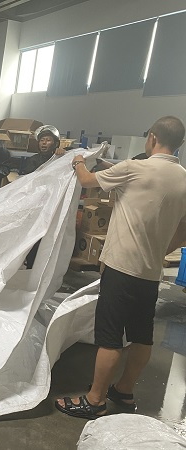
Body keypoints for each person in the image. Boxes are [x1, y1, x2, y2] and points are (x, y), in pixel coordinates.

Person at [56, 116, 186, 419]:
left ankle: (95, 400)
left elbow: (87, 180)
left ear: (152, 138)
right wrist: (160, 251)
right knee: (141, 335)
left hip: (121, 268)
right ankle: (124, 390)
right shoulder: (183, 178)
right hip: (150, 273)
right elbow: (184, 228)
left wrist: (78, 161)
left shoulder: (135, 168)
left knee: (110, 337)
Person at [23, 125, 66, 269]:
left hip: (54, 205)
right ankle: (30, 266)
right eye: (42, 140)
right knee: (33, 236)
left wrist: (64, 153)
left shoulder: (61, 159)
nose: (44, 143)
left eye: (48, 140)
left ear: (55, 143)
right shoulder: (33, 160)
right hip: (35, 205)